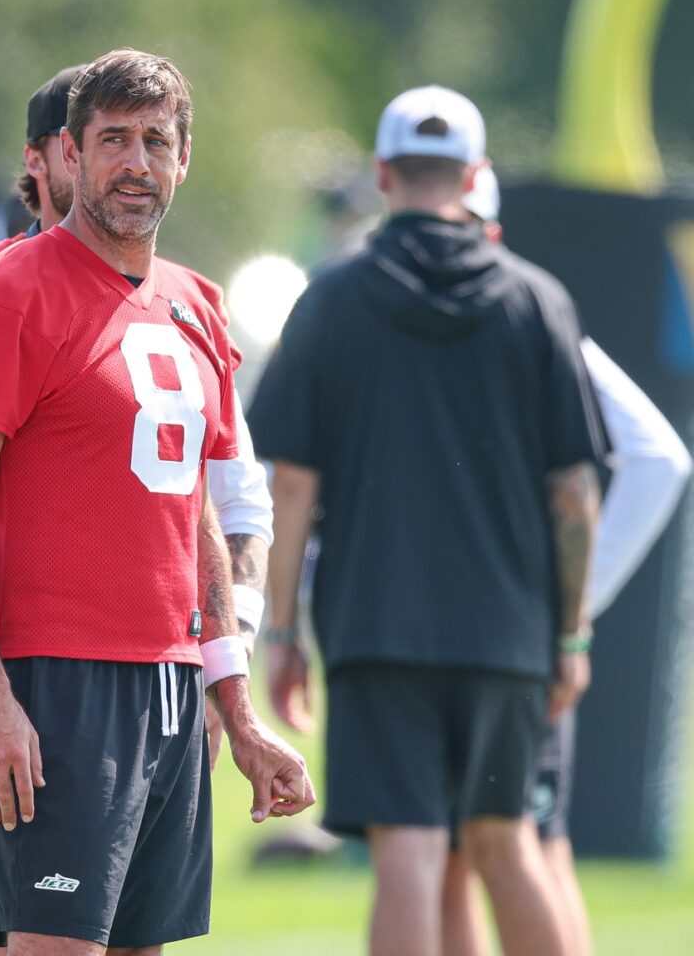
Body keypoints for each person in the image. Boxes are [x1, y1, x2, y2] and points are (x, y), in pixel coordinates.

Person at [0, 48, 313, 955]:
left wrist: (236, 705)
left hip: (171, 685)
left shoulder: (194, 303)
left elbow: (196, 513)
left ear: (184, 158)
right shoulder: (0, 295)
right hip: (55, 683)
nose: (137, 163)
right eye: (114, 140)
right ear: (69, 154)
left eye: (156, 141)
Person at [251, 85, 606, 956]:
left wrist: (283, 630)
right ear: (475, 175)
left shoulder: (332, 299)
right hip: (508, 633)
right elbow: (574, 491)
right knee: (506, 842)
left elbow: (289, 485)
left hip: (378, 627)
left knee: (405, 851)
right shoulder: (537, 300)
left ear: (382, 174)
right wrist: (569, 635)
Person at [437, 167, 693, 956]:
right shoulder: (530, 314)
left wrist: (573, 604)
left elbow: (658, 460)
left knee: (505, 846)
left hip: (481, 634)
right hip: (505, 633)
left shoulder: (522, 320)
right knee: (477, 849)